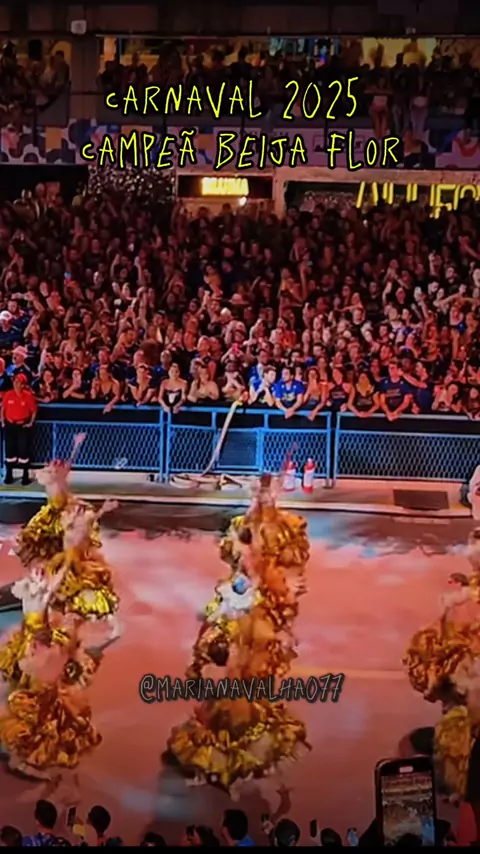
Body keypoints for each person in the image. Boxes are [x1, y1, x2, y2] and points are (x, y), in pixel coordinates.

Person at [15, 435, 103, 568]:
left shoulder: (59, 473)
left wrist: (76, 445)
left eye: (58, 463)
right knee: (39, 535)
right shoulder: (49, 474)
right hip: (56, 506)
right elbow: (43, 476)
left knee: (70, 532)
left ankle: (70, 559)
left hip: (64, 504)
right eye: (54, 463)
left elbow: (70, 461)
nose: (57, 464)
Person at [1, 373, 37, 485]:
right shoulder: (8, 394)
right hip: (10, 425)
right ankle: (9, 475)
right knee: (9, 450)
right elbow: (3, 409)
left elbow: (34, 411)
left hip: (22, 426)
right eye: (15, 381)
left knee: (23, 450)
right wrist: (2, 421)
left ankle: (25, 476)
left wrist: (30, 423)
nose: (16, 384)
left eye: (18, 382)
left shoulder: (28, 396)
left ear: (23, 385)